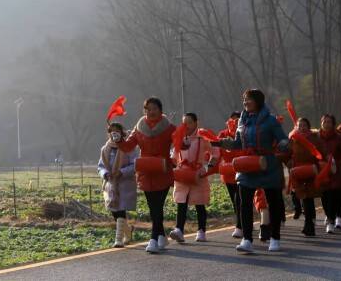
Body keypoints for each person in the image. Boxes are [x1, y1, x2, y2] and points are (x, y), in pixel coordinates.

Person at [218, 89, 290, 253]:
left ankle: (275, 238)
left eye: (248, 99)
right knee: (244, 203)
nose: (245, 102)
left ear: (258, 101)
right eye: (244, 99)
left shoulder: (271, 121)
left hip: (268, 165)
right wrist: (221, 143)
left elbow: (282, 139)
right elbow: (238, 143)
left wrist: (286, 144)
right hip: (248, 165)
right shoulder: (242, 121)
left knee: (274, 203)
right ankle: (247, 239)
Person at [117, 97, 176, 253]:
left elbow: (179, 143)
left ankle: (153, 239)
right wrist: (118, 140)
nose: (151, 112)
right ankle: (161, 235)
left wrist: (184, 142)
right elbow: (129, 146)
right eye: (148, 109)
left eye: (154, 108)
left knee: (158, 205)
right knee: (153, 207)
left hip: (162, 170)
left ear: (160, 110)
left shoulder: (169, 128)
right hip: (146, 172)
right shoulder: (139, 128)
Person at [169, 113, 219, 243]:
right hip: (182, 175)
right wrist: (173, 166)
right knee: (181, 202)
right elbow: (174, 156)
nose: (187, 126)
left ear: (196, 122)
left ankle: (201, 230)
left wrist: (207, 168)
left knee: (199, 203)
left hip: (198, 174)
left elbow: (215, 152)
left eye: (189, 122)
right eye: (184, 123)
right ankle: (179, 229)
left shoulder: (203, 137)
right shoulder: (179, 137)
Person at [97, 122, 138, 248]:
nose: (114, 133)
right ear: (109, 133)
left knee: (121, 210)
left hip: (125, 184)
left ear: (122, 132)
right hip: (111, 185)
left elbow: (135, 164)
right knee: (114, 211)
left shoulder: (129, 148)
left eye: (117, 131)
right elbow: (100, 166)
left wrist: (122, 172)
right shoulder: (105, 149)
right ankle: (128, 231)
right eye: (112, 131)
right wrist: (105, 174)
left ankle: (118, 239)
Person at [288, 117, 325, 237]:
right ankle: (309, 223)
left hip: (311, 170)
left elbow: (322, 153)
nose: (302, 128)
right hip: (297, 172)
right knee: (303, 198)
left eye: (304, 125)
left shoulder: (314, 138)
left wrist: (319, 167)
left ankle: (309, 225)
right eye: (300, 125)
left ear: (308, 127)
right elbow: (288, 154)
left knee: (308, 198)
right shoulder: (293, 139)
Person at [316, 114, 341, 233]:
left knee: (336, 194)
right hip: (322, 169)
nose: (326, 124)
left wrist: (334, 158)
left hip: (335, 169)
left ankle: (336, 218)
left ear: (333, 124)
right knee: (325, 195)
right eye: (324, 122)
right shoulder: (317, 137)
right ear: (321, 123)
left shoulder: (338, 137)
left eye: (329, 122)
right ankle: (330, 218)